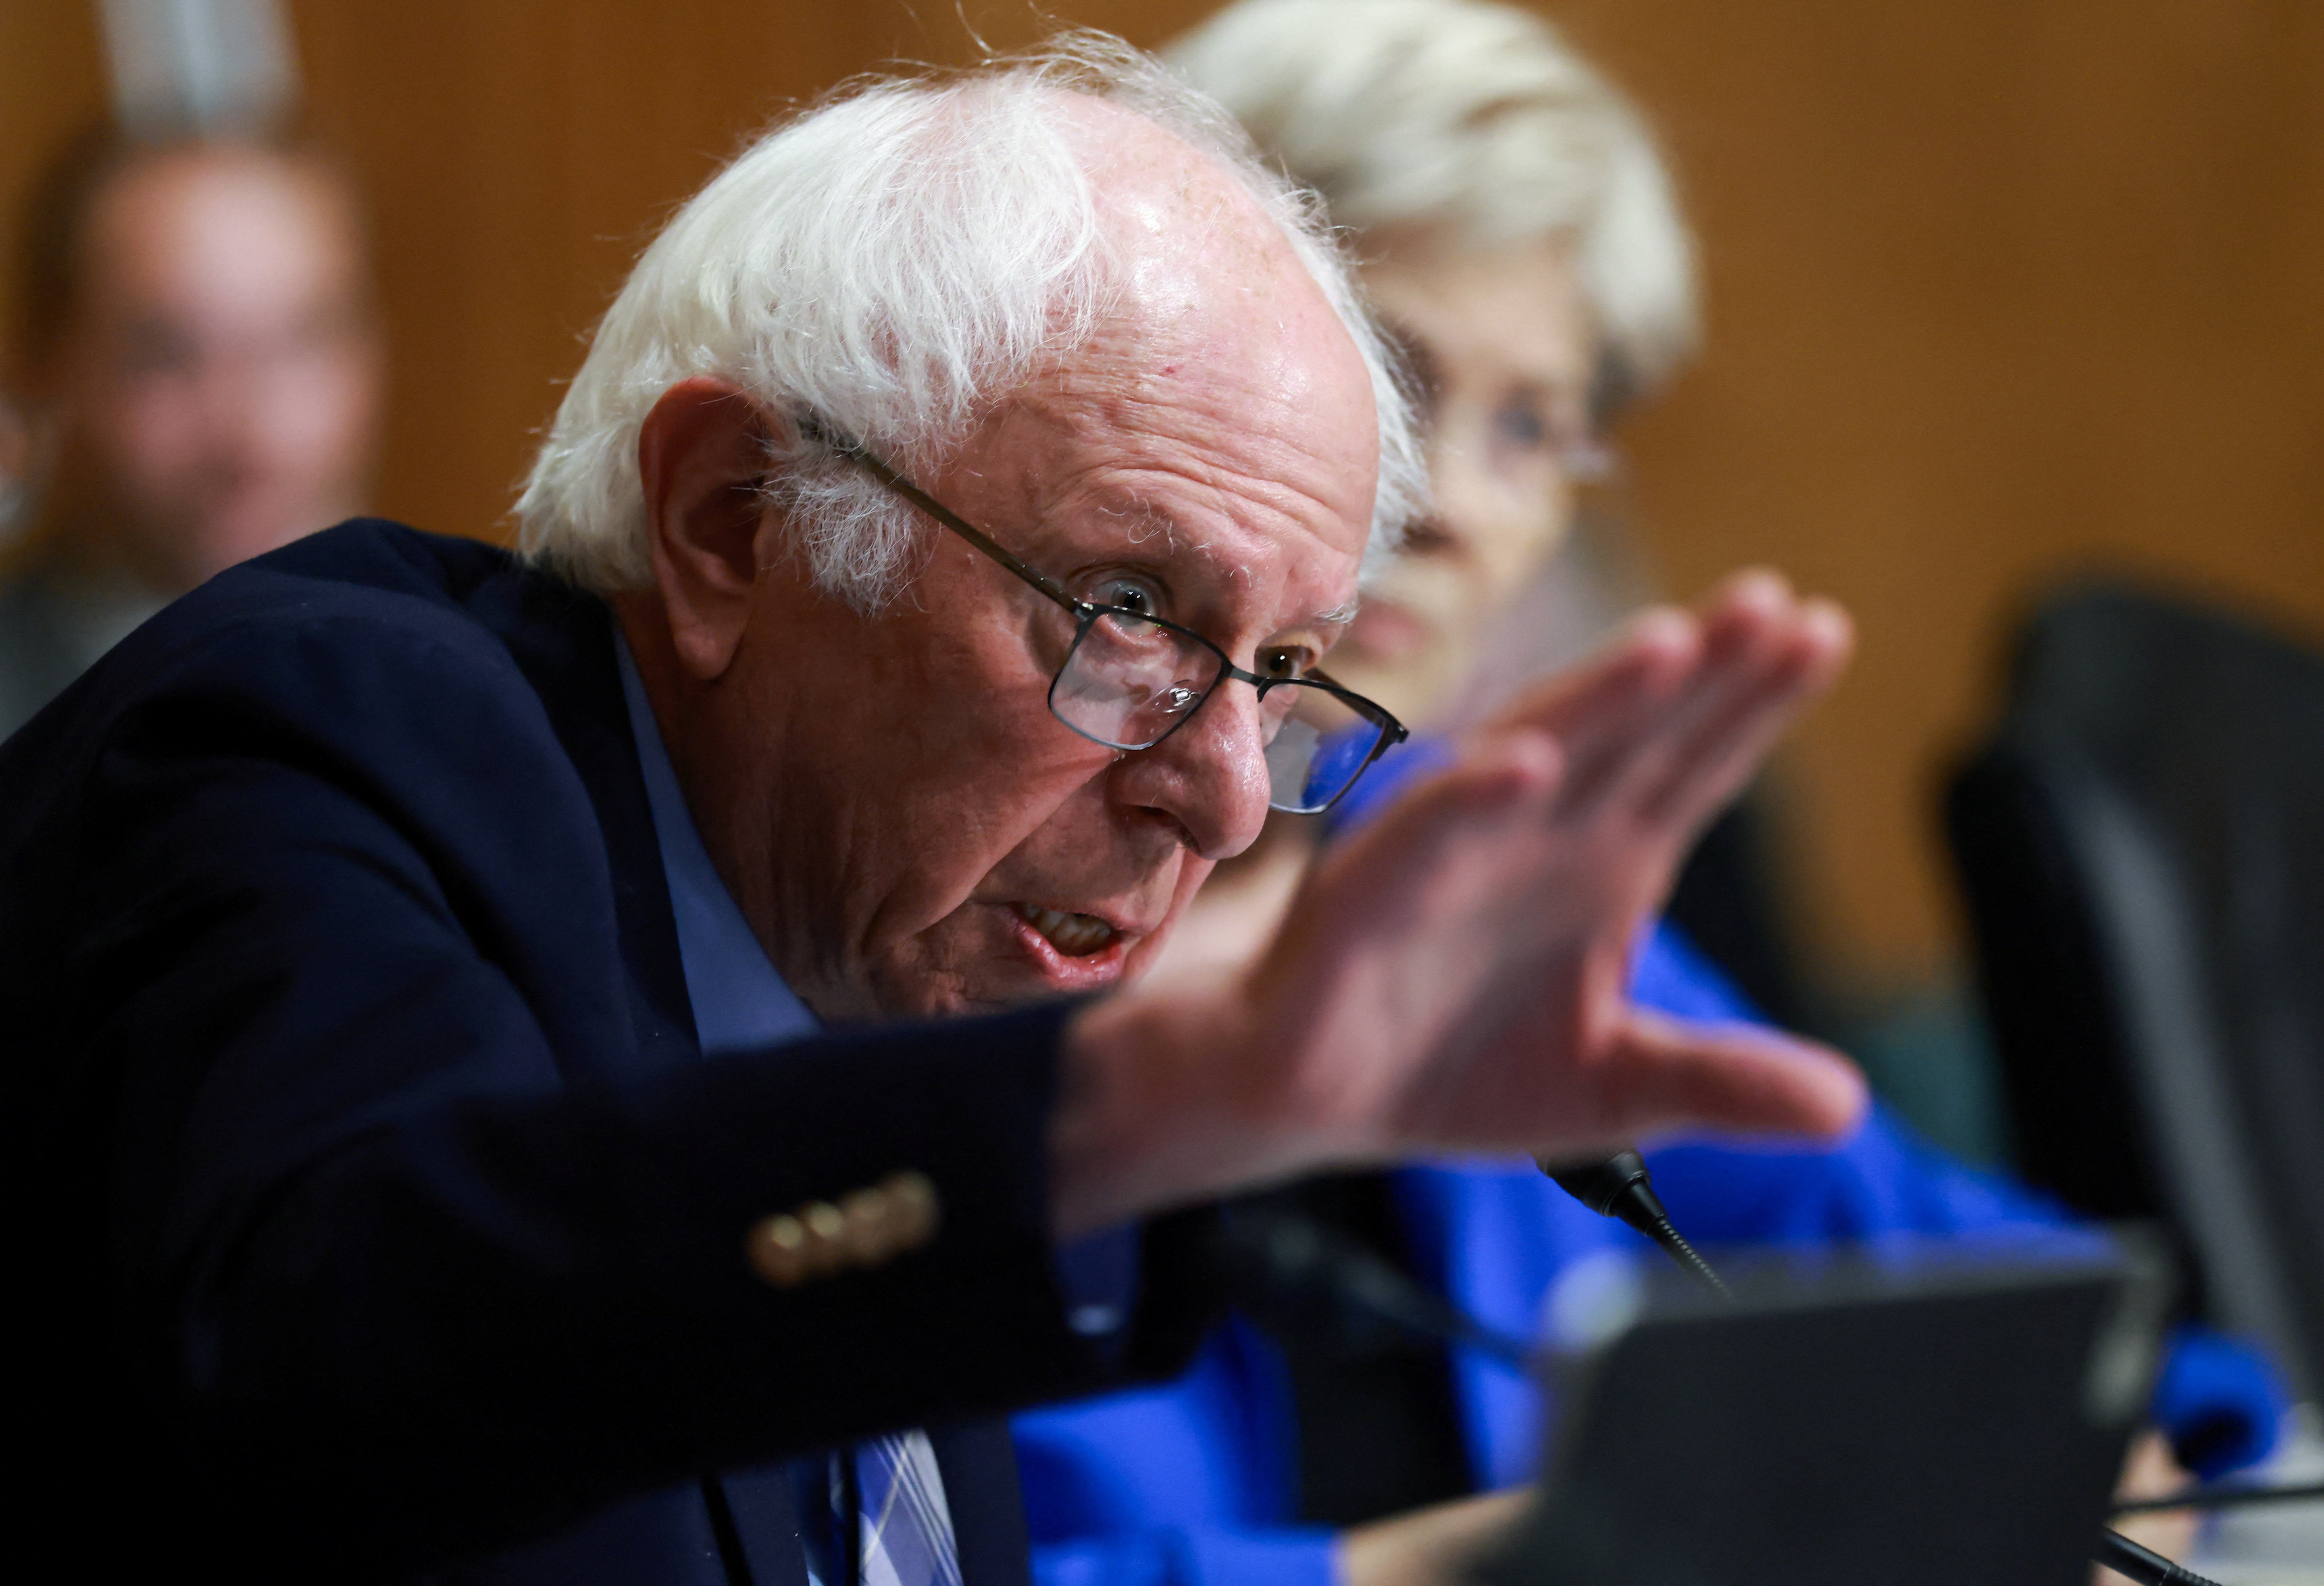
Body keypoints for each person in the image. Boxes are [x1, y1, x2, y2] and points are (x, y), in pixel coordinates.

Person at [0, 36, 1861, 1586]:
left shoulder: (883, 964)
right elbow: (362, 1351)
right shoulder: (315, 743)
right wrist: (1163, 1102)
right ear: (733, 520)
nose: (1221, 798)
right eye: (1132, 620)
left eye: (1284, 674)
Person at [1008, 6, 2282, 1584]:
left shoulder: (1465, 874)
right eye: (1384, 376)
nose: (1456, 504)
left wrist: (2092, 1458)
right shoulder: (933, 910)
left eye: (1532, 424)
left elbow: (2049, 1312)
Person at [0, 121, 381, 739]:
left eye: (300, 344)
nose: (250, 442)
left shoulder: (487, 704)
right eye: (169, 356)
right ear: (45, 371)